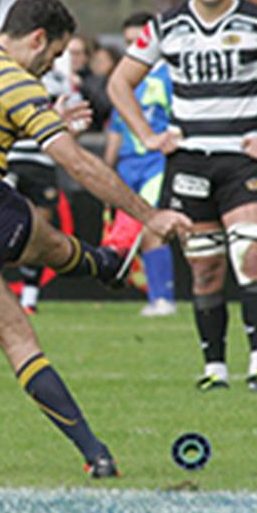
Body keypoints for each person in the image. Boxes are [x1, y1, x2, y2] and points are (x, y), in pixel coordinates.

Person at [0, 0, 188, 478]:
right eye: (52, 56)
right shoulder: (15, 80)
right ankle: (105, 264)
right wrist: (147, 214)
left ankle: (95, 453)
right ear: (37, 39)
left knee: (18, 338)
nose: (48, 66)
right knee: (37, 226)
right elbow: (75, 162)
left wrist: (45, 120)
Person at [109, 0, 257, 393]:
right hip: (190, 164)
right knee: (205, 268)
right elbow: (119, 83)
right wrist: (146, 135)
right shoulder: (166, 27)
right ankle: (215, 369)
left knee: (252, 257)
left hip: (244, 162)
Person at [5, 31, 83, 316]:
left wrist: (74, 126)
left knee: (39, 228)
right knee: (0, 223)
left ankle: (29, 297)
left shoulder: (60, 80)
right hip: (10, 159)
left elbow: (76, 113)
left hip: (43, 161)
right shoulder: (9, 75)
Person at [102, 52, 178, 317]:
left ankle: (163, 298)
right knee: (127, 232)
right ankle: (154, 294)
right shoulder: (123, 81)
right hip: (127, 166)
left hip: (154, 163)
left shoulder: (167, 77)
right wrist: (106, 168)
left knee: (150, 225)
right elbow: (116, 128)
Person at [71, 35, 113, 131]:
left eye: (76, 53)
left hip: (91, 136)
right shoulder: (52, 79)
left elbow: (105, 108)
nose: (72, 58)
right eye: (69, 54)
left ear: (86, 57)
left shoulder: (97, 81)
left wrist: (83, 86)